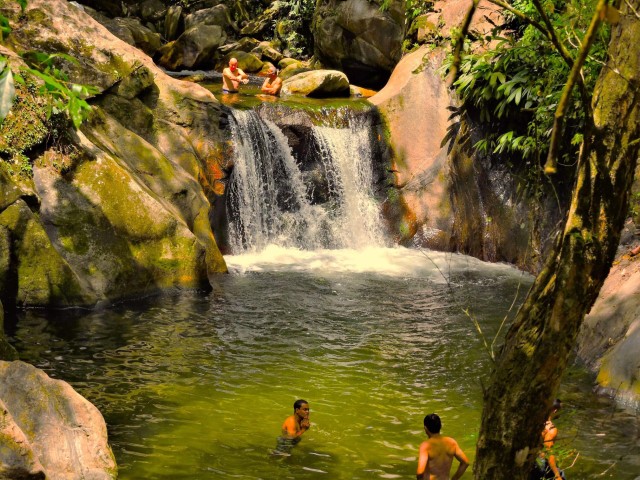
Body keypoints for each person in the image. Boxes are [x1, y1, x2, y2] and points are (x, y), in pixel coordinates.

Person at [416, 413, 469, 480]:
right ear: (440, 426)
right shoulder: (451, 442)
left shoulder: (426, 446)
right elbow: (465, 463)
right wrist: (454, 478)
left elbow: (420, 473)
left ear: (425, 428)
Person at [530, 399, 566, 480]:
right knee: (562, 476)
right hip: (540, 463)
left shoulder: (533, 422)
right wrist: (557, 476)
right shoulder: (551, 429)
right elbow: (549, 453)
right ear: (555, 410)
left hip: (529, 459)